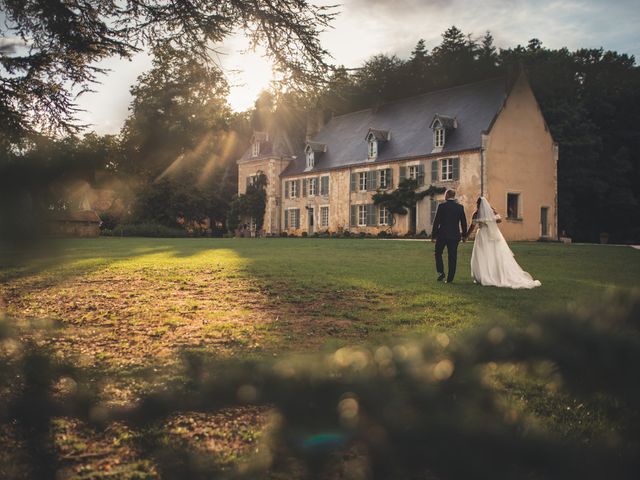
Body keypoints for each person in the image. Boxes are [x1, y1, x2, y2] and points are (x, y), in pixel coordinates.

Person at [466, 197, 541, 289]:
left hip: (482, 235)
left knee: (483, 255)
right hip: (493, 235)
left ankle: (483, 275)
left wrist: (466, 236)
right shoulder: (492, 211)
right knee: (495, 254)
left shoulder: (476, 214)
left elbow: (472, 227)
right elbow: (499, 220)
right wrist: (491, 216)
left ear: (478, 204)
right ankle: (493, 274)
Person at [431, 189, 468, 283]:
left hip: (442, 235)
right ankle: (450, 279)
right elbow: (464, 223)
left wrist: (433, 236)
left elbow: (436, 222)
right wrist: (464, 235)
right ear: (453, 196)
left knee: (438, 253)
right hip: (454, 235)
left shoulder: (442, 206)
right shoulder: (460, 207)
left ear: (447, 195)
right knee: (452, 257)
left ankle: (441, 272)